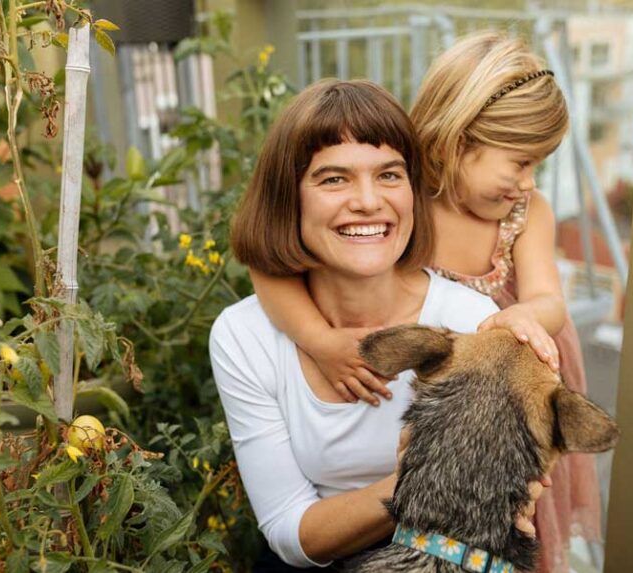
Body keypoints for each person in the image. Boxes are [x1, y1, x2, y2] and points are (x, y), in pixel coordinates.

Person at [249, 33, 602, 573]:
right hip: (437, 389)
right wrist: (319, 341)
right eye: (521, 162)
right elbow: (267, 266)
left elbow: (548, 300)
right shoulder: (401, 202)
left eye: (539, 165)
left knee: (513, 520)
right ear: (459, 140)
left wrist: (522, 317)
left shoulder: (526, 213)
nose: (529, 182)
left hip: (514, 384)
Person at [210, 79, 543, 572]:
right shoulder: (244, 336)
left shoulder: (471, 325)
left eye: (389, 174)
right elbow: (288, 530)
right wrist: (420, 480)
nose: (368, 201)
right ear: (288, 200)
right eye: (333, 179)